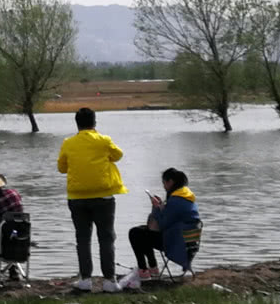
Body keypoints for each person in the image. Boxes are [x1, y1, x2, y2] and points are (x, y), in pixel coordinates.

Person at [56, 107, 124, 293]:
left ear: (76, 123)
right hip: (103, 196)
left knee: (83, 239)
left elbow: (62, 168)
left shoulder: (68, 143)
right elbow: (118, 155)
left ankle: (85, 279)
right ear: (95, 122)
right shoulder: (104, 140)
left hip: (77, 197)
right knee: (106, 238)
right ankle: (109, 280)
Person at [129, 168, 202, 280]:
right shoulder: (186, 198)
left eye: (164, 183)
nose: (164, 186)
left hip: (176, 244)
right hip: (187, 242)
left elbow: (160, 225)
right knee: (141, 231)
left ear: (170, 182)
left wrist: (156, 208)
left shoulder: (176, 201)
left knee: (135, 233)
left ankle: (144, 270)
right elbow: (169, 220)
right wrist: (162, 207)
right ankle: (152, 269)